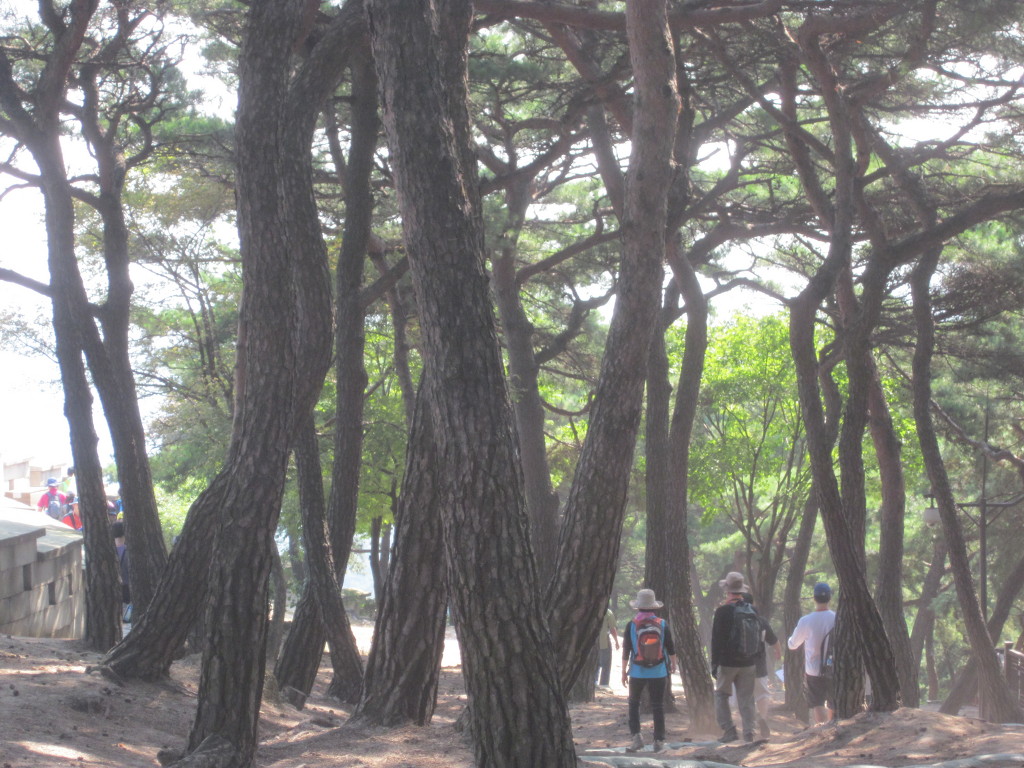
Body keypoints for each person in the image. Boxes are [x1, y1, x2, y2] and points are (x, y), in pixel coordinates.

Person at [621, 588, 677, 753]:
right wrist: (673, 664)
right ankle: (659, 741)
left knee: (634, 704)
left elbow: (626, 650)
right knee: (658, 705)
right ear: (653, 607)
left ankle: (636, 738)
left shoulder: (632, 625)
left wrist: (623, 671)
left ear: (638, 606)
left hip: (637, 671)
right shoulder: (662, 624)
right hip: (659, 671)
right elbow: (670, 647)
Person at [710, 572, 760, 743]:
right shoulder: (753, 610)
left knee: (721, 695)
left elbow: (716, 640)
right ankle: (749, 733)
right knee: (747, 698)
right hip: (749, 662)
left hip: (727, 663)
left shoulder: (722, 611)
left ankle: (729, 730)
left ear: (727, 590)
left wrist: (714, 664)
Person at [787, 581, 836, 726]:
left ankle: (822, 730)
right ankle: (832, 727)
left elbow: (792, 645)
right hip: (834, 667)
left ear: (814, 598)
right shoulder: (837, 618)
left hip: (813, 670)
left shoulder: (806, 621)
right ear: (830, 598)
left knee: (818, 703)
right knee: (833, 702)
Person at [741, 591, 778, 739]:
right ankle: (762, 718)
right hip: (759, 665)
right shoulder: (761, 621)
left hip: (741, 666)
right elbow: (774, 641)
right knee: (762, 695)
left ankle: (748, 726)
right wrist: (778, 653)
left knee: (745, 696)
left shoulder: (735, 621)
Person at [595, 605, 620, 687]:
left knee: (595, 661)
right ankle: (604, 683)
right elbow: (612, 629)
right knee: (606, 663)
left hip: (591, 642)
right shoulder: (608, 612)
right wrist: (616, 641)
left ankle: (594, 680)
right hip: (603, 641)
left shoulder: (589, 609)